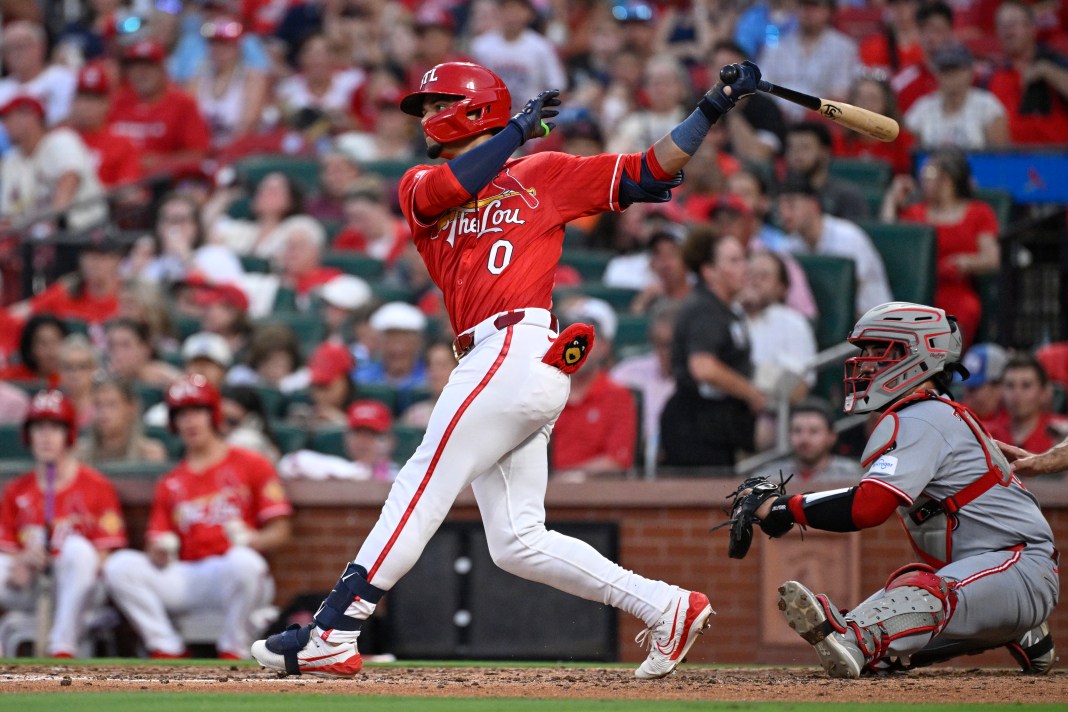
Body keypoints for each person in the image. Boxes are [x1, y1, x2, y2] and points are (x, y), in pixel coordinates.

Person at [251, 57, 771, 678]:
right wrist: (514, 134)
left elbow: (649, 169)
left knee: (420, 484)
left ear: (470, 106)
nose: (425, 118)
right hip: (496, 361)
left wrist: (711, 106)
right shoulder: (420, 183)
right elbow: (457, 187)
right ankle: (666, 606)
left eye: (434, 104)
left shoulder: (543, 174)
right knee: (518, 542)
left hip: (516, 349)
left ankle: (334, 629)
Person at [748, 302, 1057, 678]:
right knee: (880, 648)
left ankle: (1015, 619)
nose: (864, 362)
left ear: (915, 353)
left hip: (1018, 564)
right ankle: (1022, 631)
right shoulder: (931, 411)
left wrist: (787, 507)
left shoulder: (923, 416)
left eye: (878, 350)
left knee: (889, 614)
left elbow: (867, 508)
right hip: (983, 573)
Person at [103, 375, 292, 659]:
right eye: (182, 414)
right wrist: (160, 551)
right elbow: (156, 541)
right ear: (173, 422)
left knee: (246, 563)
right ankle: (166, 646)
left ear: (213, 414)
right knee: (119, 566)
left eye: (197, 411)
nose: (190, 421)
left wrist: (253, 539)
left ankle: (234, 646)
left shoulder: (251, 463)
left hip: (235, 573)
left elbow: (281, 531)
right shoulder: (171, 481)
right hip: (189, 575)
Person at [0, 390, 127, 658]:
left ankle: (63, 647)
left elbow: (105, 553)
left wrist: (62, 562)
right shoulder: (17, 491)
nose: (45, 436)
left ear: (68, 434)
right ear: (28, 435)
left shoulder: (96, 486)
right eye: (38, 427)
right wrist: (23, 558)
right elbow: (8, 548)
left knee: (78, 550)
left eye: (55, 427)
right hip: (34, 586)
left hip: (82, 586)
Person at [660, 228, 764, 469]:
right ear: (709, 271)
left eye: (744, 258)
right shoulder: (704, 309)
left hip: (717, 425)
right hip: (696, 426)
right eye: (734, 260)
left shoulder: (726, 309)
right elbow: (703, 367)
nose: (745, 267)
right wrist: (751, 393)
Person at [881, 147, 1000, 348]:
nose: (923, 182)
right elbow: (889, 240)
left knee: (964, 310)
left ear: (948, 180)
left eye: (929, 175)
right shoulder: (915, 212)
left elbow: (993, 258)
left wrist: (968, 261)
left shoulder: (979, 212)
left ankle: (944, 365)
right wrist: (891, 200)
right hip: (916, 291)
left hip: (956, 288)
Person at [777, 173, 893, 317]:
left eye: (791, 205)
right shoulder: (788, 246)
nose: (785, 214)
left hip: (875, 322)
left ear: (813, 204)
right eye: (781, 207)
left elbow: (849, 291)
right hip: (828, 325)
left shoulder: (848, 237)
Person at [0, 93, 107, 231]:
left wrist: (49, 227)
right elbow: (7, 217)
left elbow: (70, 179)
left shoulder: (60, 139)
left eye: (9, 118)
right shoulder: (12, 159)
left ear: (29, 118)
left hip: (84, 230)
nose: (5, 125)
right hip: (37, 240)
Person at [108, 39, 211, 176]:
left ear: (163, 69)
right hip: (115, 181)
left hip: (163, 183)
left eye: (149, 66)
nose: (141, 73)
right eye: (135, 67)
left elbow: (197, 155)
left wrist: (160, 163)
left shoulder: (182, 103)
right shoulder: (115, 102)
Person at [757, 0, 860, 122]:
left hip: (821, 121)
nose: (807, 11)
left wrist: (809, 114)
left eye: (814, 6)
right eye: (803, 5)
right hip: (778, 118)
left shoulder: (844, 47)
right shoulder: (777, 47)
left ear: (829, 11)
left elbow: (841, 93)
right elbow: (762, 86)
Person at [741, 250, 817, 404]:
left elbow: (800, 387)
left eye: (764, 277)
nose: (755, 282)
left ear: (781, 289)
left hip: (771, 412)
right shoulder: (726, 315)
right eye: (749, 275)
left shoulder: (793, 323)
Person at [987, 1, 1068, 146]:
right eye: (1002, 26)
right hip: (1010, 159)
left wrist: (1048, 72)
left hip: (1057, 159)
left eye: (1013, 25)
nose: (1008, 31)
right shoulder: (992, 75)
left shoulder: (1056, 62)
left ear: (1032, 28)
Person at [469, 0, 568, 114]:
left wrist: (537, 114)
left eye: (518, 9)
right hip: (491, 116)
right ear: (499, 11)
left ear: (529, 14)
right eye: (508, 8)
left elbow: (558, 88)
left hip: (530, 119)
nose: (513, 14)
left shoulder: (542, 47)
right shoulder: (480, 46)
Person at [904, 44, 1010, 150]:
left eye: (956, 70)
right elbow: (907, 147)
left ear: (970, 72)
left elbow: (999, 158)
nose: (951, 76)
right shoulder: (923, 107)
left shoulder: (987, 106)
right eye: (945, 71)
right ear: (936, 75)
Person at [609, 302, 677, 465]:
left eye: (672, 345)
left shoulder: (702, 380)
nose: (666, 353)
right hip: (635, 462)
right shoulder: (627, 373)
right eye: (659, 344)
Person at [279, 399, 399, 481]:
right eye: (358, 433)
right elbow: (290, 463)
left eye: (372, 434)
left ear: (389, 441)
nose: (363, 441)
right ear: (346, 437)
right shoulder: (339, 467)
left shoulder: (399, 477)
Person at [66, 62, 142, 189]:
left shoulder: (122, 143)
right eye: (82, 98)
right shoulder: (59, 138)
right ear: (72, 101)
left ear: (108, 104)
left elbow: (127, 192)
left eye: (94, 99)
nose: (86, 106)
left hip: (104, 207)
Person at [783, 121, 870, 223]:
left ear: (824, 152)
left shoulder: (846, 196)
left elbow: (855, 236)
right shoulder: (779, 193)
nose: (796, 154)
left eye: (805, 147)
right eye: (791, 147)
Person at [763, 398, 862, 483]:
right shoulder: (769, 478)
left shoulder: (854, 477)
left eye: (814, 431)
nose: (804, 439)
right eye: (797, 431)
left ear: (831, 436)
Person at [75, 377, 168, 465]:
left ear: (131, 408)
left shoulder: (150, 454)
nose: (103, 412)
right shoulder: (79, 454)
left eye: (112, 405)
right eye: (98, 405)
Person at [987, 354, 1068, 455]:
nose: (1017, 393)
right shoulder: (988, 435)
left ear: (1044, 392)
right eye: (1010, 385)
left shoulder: (1061, 433)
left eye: (1026, 385)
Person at [356, 302, 429, 414]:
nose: (397, 350)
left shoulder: (429, 379)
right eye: (390, 341)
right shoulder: (361, 378)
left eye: (405, 342)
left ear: (417, 345)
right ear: (379, 344)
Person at [0, 20, 76, 126]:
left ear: (40, 47)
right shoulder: (2, 88)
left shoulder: (63, 77)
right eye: (9, 49)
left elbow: (72, 118)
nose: (16, 54)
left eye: (21, 46)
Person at [104, 318, 182, 388]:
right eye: (112, 345)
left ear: (146, 348)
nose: (117, 352)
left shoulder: (168, 378)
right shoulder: (106, 379)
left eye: (125, 345)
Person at [0, 313, 67, 385]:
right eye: (43, 343)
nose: (51, 351)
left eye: (56, 342)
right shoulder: (10, 379)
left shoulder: (70, 380)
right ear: (30, 348)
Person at [960, 342, 1011, 430]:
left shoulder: (1017, 424)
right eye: (966, 386)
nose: (967, 393)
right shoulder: (959, 416)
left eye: (973, 388)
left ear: (999, 387)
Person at [57, 333, 101, 429]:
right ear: (59, 371)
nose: (75, 374)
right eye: (68, 367)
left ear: (94, 369)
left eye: (82, 367)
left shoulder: (102, 408)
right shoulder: (54, 406)